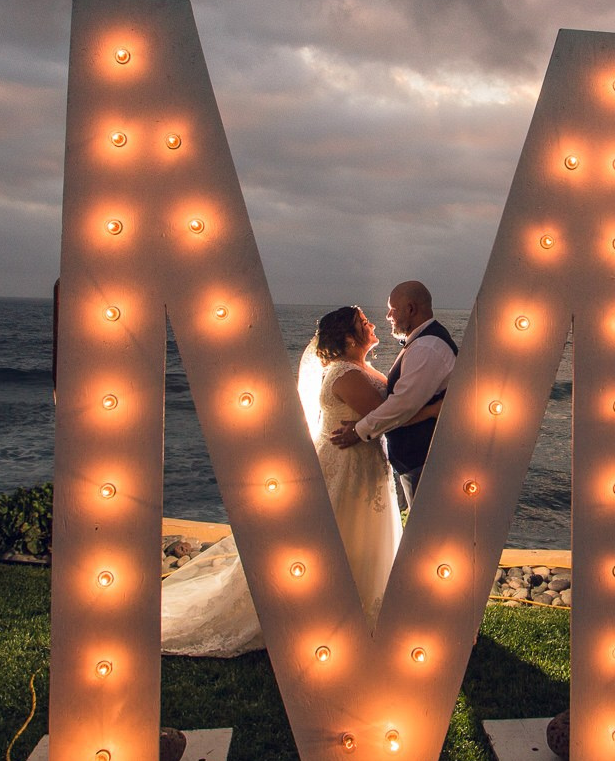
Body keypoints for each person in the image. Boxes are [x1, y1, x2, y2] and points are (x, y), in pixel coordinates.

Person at [159, 304, 425, 656]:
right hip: (346, 467)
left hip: (363, 463)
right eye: (364, 323)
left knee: (357, 535)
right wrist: (435, 409)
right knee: (342, 534)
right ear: (348, 337)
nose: (372, 324)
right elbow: (387, 418)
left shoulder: (361, 368)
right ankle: (330, 610)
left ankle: (354, 607)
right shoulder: (346, 375)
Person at [330, 280, 457, 515]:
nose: (388, 316)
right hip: (418, 462)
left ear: (410, 309)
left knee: (428, 534)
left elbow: (401, 406)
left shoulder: (427, 347)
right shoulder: (421, 343)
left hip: (426, 461)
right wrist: (431, 410)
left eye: (393, 309)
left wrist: (359, 431)